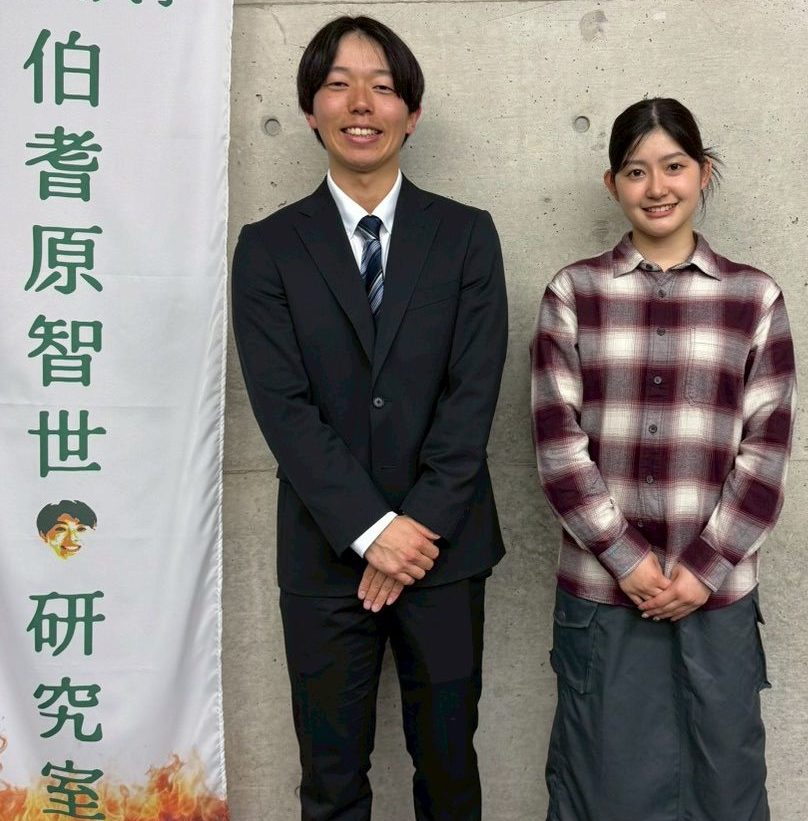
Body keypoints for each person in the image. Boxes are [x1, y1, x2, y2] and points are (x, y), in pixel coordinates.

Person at [232, 16, 507, 821]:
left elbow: (473, 394)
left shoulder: (466, 235)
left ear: (411, 114)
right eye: (338, 84)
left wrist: (412, 529)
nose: (361, 103)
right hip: (325, 557)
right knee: (331, 783)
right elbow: (283, 407)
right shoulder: (268, 247)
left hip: (443, 551)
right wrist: (370, 529)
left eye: (383, 87)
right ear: (310, 110)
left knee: (449, 776)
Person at [531, 97, 795, 821]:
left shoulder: (754, 298)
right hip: (602, 591)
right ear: (612, 183)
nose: (657, 187)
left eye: (674, 166)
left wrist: (703, 569)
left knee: (723, 787)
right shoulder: (574, 293)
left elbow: (766, 452)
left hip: (718, 595)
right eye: (636, 170)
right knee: (601, 787)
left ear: (702, 172)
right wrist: (629, 560)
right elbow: (557, 445)